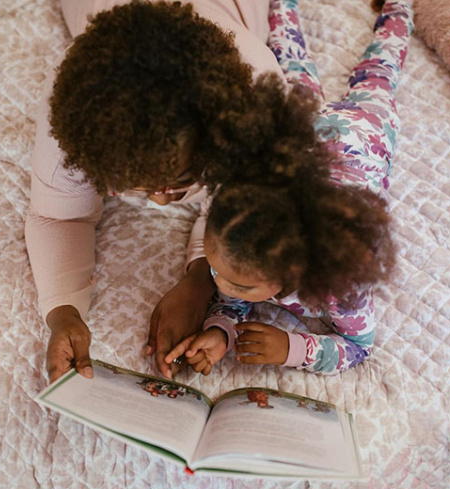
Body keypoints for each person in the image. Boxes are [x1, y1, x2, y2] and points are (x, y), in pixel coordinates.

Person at [26, 0, 320, 382]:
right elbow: (56, 214)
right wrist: (63, 311)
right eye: (132, 187)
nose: (160, 201)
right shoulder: (71, 116)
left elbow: (241, 206)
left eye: (178, 183)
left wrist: (201, 276)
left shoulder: (257, 104)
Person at [164, 0, 414, 375]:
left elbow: (359, 346)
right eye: (216, 272)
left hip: (366, 129)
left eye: (236, 284)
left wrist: (293, 348)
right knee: (284, 52)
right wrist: (219, 330)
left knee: (381, 66)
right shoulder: (240, 253)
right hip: (302, 131)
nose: (219, 285)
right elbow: (232, 294)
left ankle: (401, 6)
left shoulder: (340, 289)